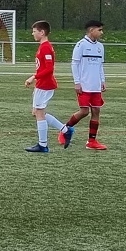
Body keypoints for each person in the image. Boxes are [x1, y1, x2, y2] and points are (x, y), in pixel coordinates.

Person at [23, 20, 72, 153]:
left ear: (42, 32)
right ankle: (66, 130)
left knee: (39, 113)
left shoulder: (46, 47)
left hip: (45, 84)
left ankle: (43, 145)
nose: (33, 34)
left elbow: (49, 69)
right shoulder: (43, 46)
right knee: (37, 112)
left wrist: (34, 77)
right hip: (42, 84)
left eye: (34, 31)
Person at [65, 19, 107, 150]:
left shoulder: (100, 47)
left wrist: (102, 80)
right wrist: (77, 82)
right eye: (99, 30)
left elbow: (100, 66)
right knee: (84, 111)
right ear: (91, 30)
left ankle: (91, 141)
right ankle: (65, 129)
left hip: (96, 85)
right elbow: (74, 64)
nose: (101, 32)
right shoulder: (80, 45)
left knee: (96, 110)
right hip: (84, 85)